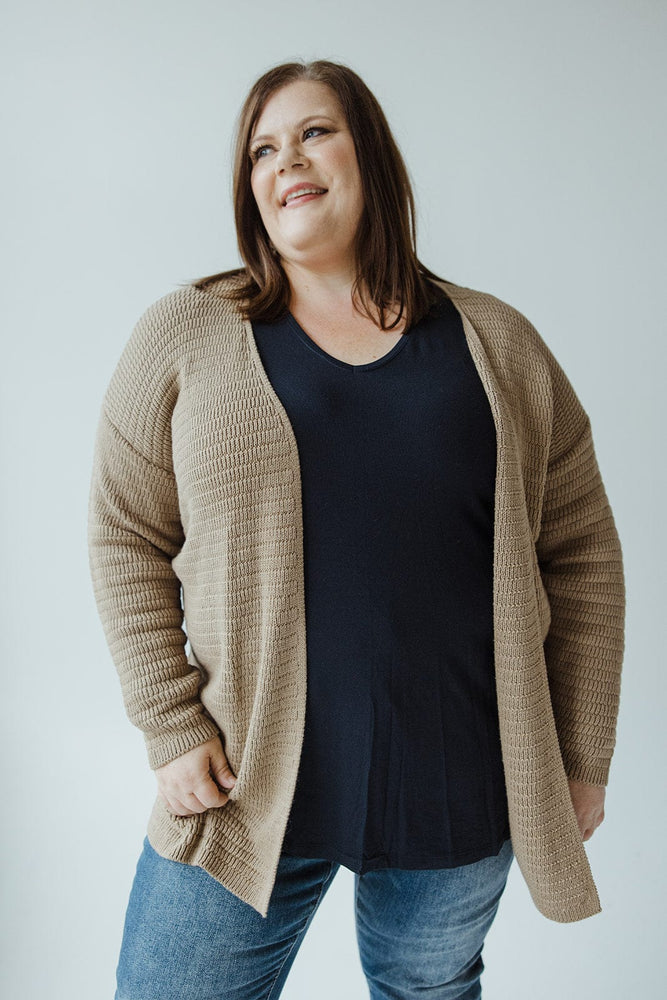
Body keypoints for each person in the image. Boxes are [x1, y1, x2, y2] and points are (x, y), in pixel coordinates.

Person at [87, 58, 625, 1000]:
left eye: (312, 132)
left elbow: (581, 554)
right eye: (261, 148)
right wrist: (169, 724)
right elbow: (123, 532)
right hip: (243, 784)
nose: (285, 159)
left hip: (460, 785)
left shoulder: (496, 343)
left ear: (368, 152)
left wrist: (580, 754)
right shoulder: (186, 334)